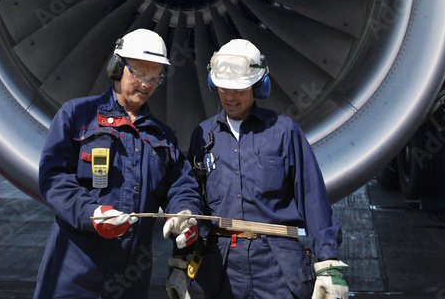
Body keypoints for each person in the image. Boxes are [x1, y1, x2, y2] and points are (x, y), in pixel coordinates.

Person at [34, 28, 203, 299]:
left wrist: (185, 213)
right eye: (138, 74)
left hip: (128, 278)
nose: (146, 85)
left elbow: (181, 185)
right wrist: (91, 212)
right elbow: (54, 179)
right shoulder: (77, 116)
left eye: (154, 77)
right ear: (117, 68)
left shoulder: (162, 137)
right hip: (73, 271)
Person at [171, 39, 347, 299]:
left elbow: (313, 199)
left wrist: (328, 264)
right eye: (224, 88)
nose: (230, 97)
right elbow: (191, 200)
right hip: (220, 266)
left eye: (239, 89)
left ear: (258, 86)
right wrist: (178, 262)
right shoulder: (202, 135)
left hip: (277, 266)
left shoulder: (284, 131)